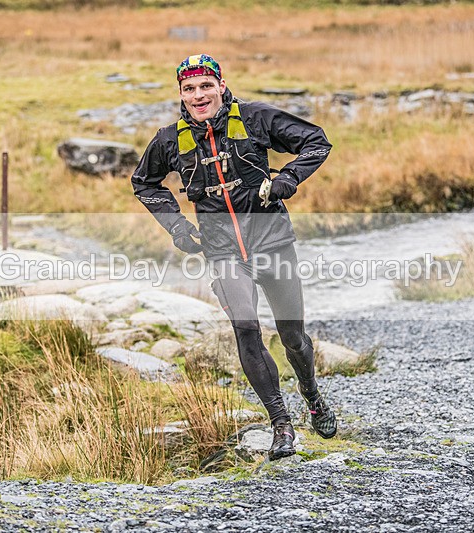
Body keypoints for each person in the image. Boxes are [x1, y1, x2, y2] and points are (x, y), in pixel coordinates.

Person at [131, 53, 336, 460]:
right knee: (246, 329)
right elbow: (145, 183)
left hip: (273, 243)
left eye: (206, 85)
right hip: (223, 252)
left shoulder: (256, 118)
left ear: (221, 86)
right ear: (181, 94)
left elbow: (317, 142)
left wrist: (287, 180)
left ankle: (311, 395)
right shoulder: (170, 139)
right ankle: (281, 425)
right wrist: (176, 226)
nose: (198, 95)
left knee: (292, 336)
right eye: (189, 88)